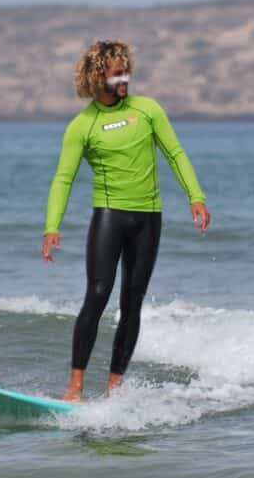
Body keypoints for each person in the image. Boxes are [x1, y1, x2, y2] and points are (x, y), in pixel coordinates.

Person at [43, 40, 210, 402]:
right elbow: (63, 178)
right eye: (116, 73)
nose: (124, 78)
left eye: (126, 70)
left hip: (149, 218)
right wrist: (52, 227)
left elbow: (175, 153)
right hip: (110, 217)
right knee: (98, 295)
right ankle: (75, 389)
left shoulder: (148, 110)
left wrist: (195, 197)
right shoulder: (82, 126)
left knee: (132, 301)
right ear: (96, 76)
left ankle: (114, 391)